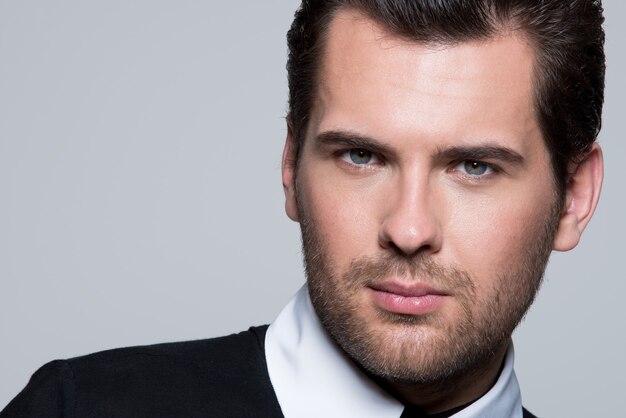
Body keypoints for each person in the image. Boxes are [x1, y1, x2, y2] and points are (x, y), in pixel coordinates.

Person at [1, 0, 605, 417]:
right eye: (362, 156)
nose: (409, 228)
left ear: (573, 198)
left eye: (475, 166)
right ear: (290, 167)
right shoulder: (79, 410)